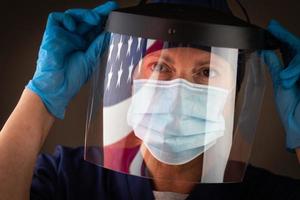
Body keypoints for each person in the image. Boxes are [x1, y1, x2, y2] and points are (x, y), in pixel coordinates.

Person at [0, 0, 300, 200]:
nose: (179, 91)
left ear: (232, 94)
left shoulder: (268, 192)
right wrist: (40, 97)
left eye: (207, 71)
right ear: (133, 82)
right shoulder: (67, 178)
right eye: (159, 67)